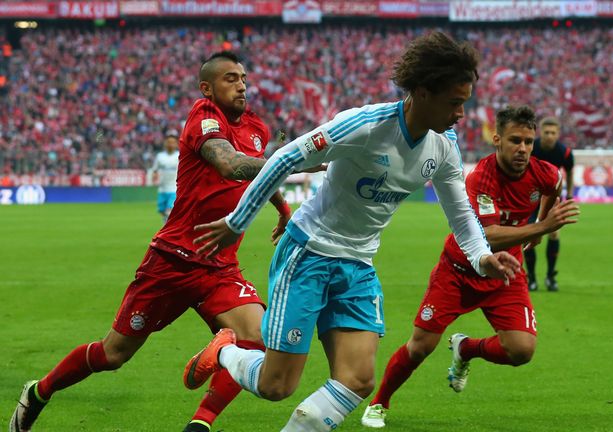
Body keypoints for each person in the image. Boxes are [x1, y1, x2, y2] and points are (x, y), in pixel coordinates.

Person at [183, 32, 520, 432]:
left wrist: (482, 256)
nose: (461, 114)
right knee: (277, 386)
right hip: (308, 254)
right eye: (454, 102)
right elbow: (285, 158)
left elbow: (461, 213)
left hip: (358, 265)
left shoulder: (444, 145)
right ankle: (225, 351)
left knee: (358, 380)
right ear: (423, 93)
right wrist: (238, 221)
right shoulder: (363, 125)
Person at [9, 51, 294, 432]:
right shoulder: (203, 117)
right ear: (206, 88)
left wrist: (283, 207)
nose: (241, 84)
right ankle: (39, 391)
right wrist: (294, 159)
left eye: (243, 77)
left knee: (256, 338)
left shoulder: (256, 126)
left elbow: (253, 171)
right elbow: (229, 163)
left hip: (220, 265)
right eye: (230, 78)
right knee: (113, 354)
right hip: (173, 261)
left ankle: (199, 424)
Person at [360, 105, 579, 428]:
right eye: (515, 140)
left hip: (506, 275)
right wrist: (541, 229)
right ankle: (379, 403)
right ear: (497, 139)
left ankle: (466, 348)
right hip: (460, 273)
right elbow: (486, 236)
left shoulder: (545, 172)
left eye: (528, 142)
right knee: (421, 347)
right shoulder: (481, 178)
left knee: (522, 350)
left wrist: (541, 220)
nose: (523, 149)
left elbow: (553, 188)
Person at [523, 116, 574, 292]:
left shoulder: (565, 152)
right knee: (528, 235)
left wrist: (570, 194)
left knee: (553, 235)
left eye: (553, 132)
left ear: (558, 133)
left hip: (553, 196)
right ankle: (531, 279)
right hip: (531, 197)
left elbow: (569, 171)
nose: (550, 136)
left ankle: (550, 276)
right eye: (547, 132)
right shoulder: (531, 147)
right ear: (540, 133)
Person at [149, 129, 180, 222]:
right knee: (162, 211)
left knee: (169, 211)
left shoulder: (179, 156)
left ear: (176, 144)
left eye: (173, 142)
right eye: (169, 142)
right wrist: (154, 176)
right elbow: (155, 169)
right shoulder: (160, 156)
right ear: (165, 144)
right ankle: (166, 225)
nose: (170, 144)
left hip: (174, 189)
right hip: (162, 189)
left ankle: (168, 230)